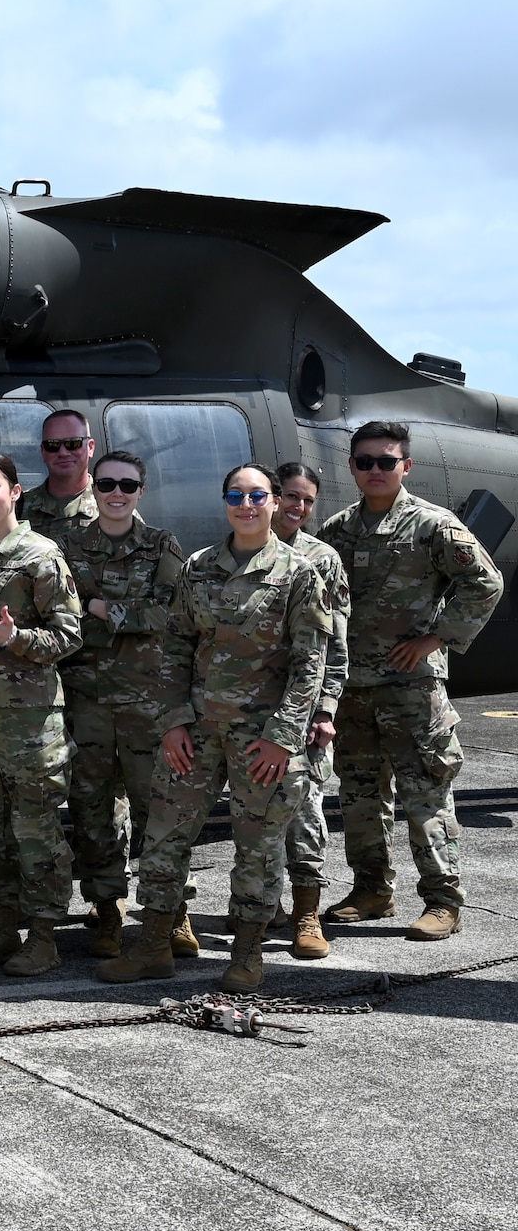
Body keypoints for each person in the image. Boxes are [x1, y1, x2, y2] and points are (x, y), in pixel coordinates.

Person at [101, 463, 329, 992]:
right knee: (162, 839)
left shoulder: (298, 573)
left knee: (258, 847)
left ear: (274, 502)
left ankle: (247, 954)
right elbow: (175, 646)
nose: (245, 505)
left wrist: (283, 736)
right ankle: (155, 944)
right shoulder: (200, 566)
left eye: (256, 496)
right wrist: (175, 721)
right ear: (225, 502)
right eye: (235, 495)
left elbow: (309, 663)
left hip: (263, 739)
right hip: (196, 733)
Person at [317, 422, 503, 941]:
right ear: (352, 467)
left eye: (386, 460)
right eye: (365, 461)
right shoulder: (337, 531)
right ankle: (371, 889)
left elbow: (485, 582)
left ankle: (443, 901)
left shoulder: (431, 525)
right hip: (354, 687)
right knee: (359, 796)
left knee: (426, 796)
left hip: (412, 686)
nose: (376, 470)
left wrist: (438, 637)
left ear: (406, 466)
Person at [0, 451, 83, 977]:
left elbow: (69, 635)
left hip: (29, 721)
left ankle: (44, 936)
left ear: (14, 490)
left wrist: (16, 638)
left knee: (35, 829)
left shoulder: (39, 556)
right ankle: (3, 927)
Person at [54, 451, 186, 959]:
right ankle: (106, 910)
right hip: (86, 703)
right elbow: (61, 618)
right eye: (106, 483)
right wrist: (128, 614)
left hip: (148, 704)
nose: (115, 492)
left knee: (159, 811)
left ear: (140, 492)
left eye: (126, 485)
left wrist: (105, 608)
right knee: (92, 811)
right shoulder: (67, 546)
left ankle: (171, 914)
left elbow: (171, 614)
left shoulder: (161, 545)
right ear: (92, 488)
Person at [271, 462, 351, 960]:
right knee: (252, 816)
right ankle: (259, 906)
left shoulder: (323, 559)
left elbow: (336, 646)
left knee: (306, 812)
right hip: (247, 708)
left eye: (306, 500)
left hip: (302, 711)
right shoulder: (238, 551)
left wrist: (326, 708)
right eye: (289, 496)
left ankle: (307, 913)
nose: (297, 507)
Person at [23, 407, 100, 545]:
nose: (63, 452)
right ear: (43, 451)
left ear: (90, 447)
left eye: (73, 443)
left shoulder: (112, 505)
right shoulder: (18, 508)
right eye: (53, 445)